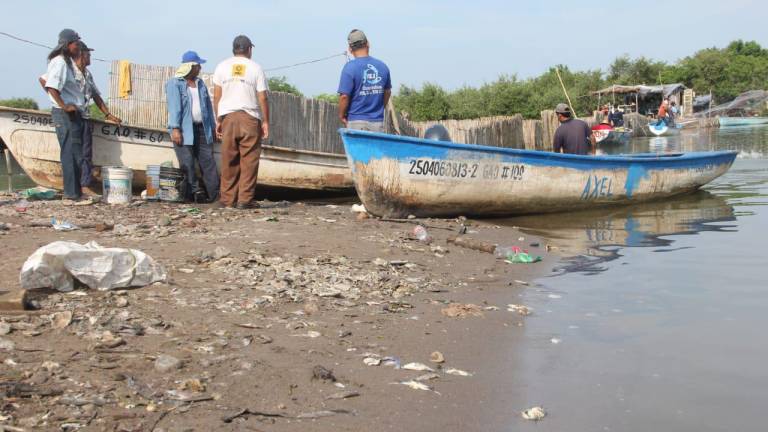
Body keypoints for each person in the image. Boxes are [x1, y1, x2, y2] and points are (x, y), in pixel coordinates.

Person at [39, 41, 122, 188]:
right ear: (81, 54)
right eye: (88, 54)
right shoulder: (68, 68)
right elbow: (44, 80)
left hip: (84, 117)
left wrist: (108, 114)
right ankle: (80, 186)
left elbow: (96, 95)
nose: (90, 57)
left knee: (85, 152)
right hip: (71, 115)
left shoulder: (87, 74)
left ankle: (83, 184)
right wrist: (61, 103)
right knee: (76, 152)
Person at [213, 35, 270, 209]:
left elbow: (216, 96)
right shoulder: (256, 68)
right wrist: (266, 121)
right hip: (249, 117)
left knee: (228, 159)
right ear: (249, 49)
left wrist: (219, 120)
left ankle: (227, 200)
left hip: (228, 117)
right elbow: (262, 97)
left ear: (234, 49)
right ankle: (245, 200)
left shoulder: (222, 66)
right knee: (249, 160)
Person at [165, 50, 219, 203]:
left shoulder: (200, 84)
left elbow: (207, 107)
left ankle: (215, 195)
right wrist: (175, 129)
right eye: (198, 66)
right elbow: (174, 107)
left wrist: (213, 127)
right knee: (187, 163)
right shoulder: (175, 83)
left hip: (202, 128)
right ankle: (192, 194)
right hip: (184, 129)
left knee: (208, 162)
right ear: (190, 66)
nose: (200, 68)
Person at [43, 29, 86, 200]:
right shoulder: (60, 61)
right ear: (68, 44)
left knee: (75, 152)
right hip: (64, 114)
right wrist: (64, 105)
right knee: (70, 153)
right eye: (76, 43)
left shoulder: (67, 62)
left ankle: (75, 192)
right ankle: (71, 194)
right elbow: (51, 86)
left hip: (72, 114)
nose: (78, 46)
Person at [337, 29, 392, 132]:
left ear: (350, 49)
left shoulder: (349, 68)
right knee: (376, 148)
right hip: (377, 122)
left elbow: (344, 96)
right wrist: (379, 109)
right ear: (368, 44)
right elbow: (387, 92)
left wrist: (341, 115)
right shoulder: (382, 66)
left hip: (356, 122)